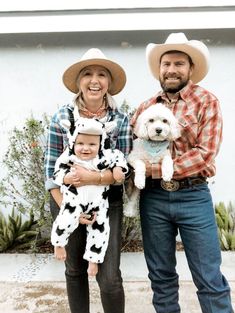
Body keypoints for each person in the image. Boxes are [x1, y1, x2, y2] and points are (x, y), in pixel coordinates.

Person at [131, 32, 234, 313]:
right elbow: (131, 148)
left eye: (179, 63)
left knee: (209, 277)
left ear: (190, 69)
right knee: (161, 277)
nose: (172, 69)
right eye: (166, 64)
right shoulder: (146, 108)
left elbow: (205, 154)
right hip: (153, 199)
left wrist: (156, 169)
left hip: (193, 195)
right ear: (159, 69)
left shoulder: (206, 102)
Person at [44, 48, 132, 313]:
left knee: (109, 277)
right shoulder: (61, 117)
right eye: (88, 74)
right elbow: (51, 173)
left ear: (109, 83)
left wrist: (94, 177)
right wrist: (70, 208)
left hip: (107, 203)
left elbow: (123, 171)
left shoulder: (121, 119)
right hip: (67, 199)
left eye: (102, 74)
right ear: (79, 82)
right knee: (74, 270)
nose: (95, 80)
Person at [51, 117, 128, 277]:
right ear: (73, 143)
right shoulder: (69, 156)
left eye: (92, 144)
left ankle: (94, 259)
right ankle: (58, 243)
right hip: (74, 200)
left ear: (100, 143)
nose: (85, 148)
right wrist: (66, 178)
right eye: (80, 144)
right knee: (65, 219)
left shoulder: (105, 156)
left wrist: (118, 169)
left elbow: (119, 158)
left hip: (98, 203)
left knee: (101, 228)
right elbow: (56, 173)